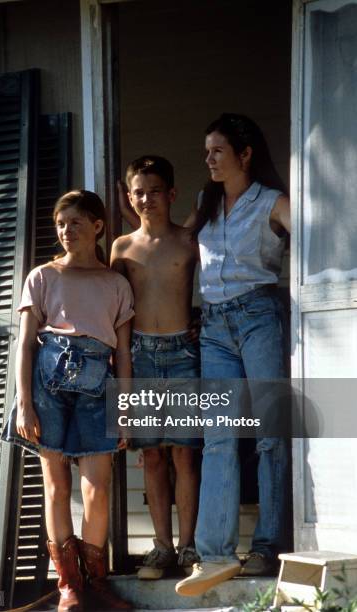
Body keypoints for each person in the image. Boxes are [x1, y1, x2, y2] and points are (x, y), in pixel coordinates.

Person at [174, 113, 291, 596]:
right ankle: (215, 554)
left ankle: (268, 545)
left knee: (269, 435)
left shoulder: (274, 202)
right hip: (215, 326)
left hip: (260, 316)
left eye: (218, 150)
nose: (209, 159)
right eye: (207, 151)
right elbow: (178, 245)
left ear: (245, 154)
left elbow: (326, 237)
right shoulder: (207, 202)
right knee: (220, 438)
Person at [1, 190, 134, 612]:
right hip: (47, 387)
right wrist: (24, 402)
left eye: (75, 222)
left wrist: (124, 409)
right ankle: (69, 586)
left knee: (95, 490)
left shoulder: (115, 283)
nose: (66, 230)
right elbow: (24, 345)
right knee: (56, 487)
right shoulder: (42, 277)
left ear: (97, 227)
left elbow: (125, 354)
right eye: (60, 223)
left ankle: (96, 582)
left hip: (98, 388)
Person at [111, 155, 201, 580]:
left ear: (172, 194)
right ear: (130, 196)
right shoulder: (122, 247)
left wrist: (205, 324)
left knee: (184, 452)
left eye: (155, 191)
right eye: (139, 192)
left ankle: (188, 546)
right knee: (151, 455)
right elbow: (115, 305)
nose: (147, 199)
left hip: (184, 352)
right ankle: (161, 546)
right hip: (142, 355)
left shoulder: (190, 239)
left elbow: (217, 282)